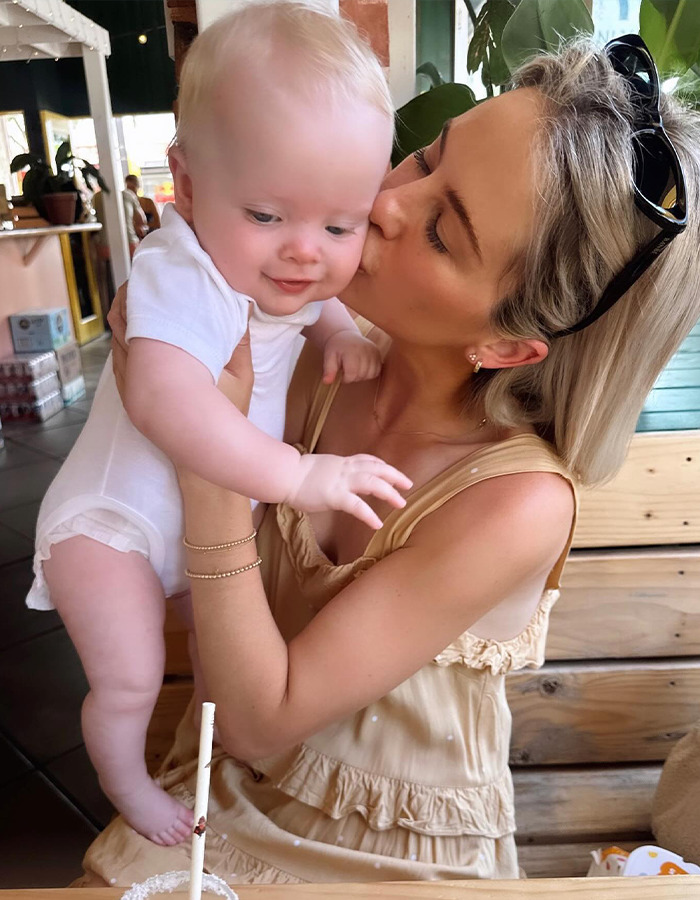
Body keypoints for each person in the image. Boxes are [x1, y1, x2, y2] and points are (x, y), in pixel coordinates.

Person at [77, 34, 700, 885]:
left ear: (508, 345)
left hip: (389, 849)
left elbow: (266, 720)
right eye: (422, 157)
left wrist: (210, 468)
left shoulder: (518, 501)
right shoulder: (320, 352)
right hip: (215, 787)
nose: (386, 202)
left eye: (442, 230)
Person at [28, 2, 409, 848]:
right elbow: (163, 398)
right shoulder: (180, 269)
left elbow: (308, 308)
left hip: (196, 526)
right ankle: (124, 781)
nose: (305, 253)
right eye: (268, 216)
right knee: (129, 679)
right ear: (189, 187)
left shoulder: (278, 270)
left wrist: (339, 330)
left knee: (220, 654)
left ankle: (209, 755)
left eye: (338, 225)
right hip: (113, 530)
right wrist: (298, 476)